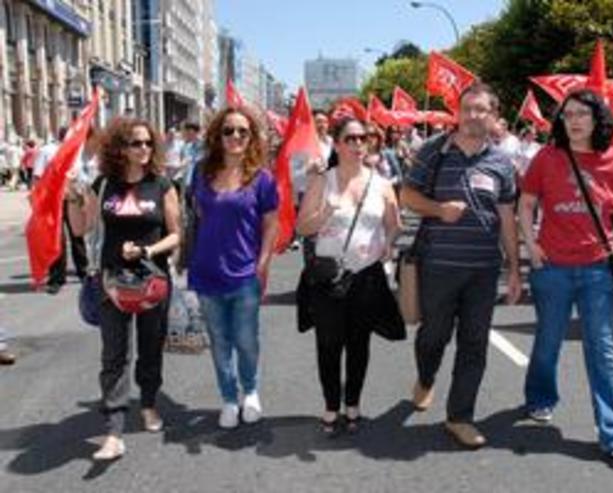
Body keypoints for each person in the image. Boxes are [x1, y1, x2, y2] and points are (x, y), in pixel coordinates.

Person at [518, 89, 613, 459]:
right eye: (567, 114)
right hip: (552, 268)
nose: (573, 120)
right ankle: (540, 396)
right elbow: (526, 203)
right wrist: (531, 245)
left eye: (582, 114)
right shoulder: (547, 157)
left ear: (597, 119)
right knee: (548, 341)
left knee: (602, 350)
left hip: (598, 270)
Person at [400, 83, 522, 449]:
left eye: (481, 109)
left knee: (474, 343)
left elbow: (507, 217)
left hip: (484, 270)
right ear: (458, 112)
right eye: (467, 108)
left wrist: (514, 268)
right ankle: (425, 377)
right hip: (438, 265)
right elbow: (407, 196)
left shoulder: (502, 162)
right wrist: (439, 210)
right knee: (433, 335)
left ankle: (460, 417)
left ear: (494, 116)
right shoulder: (433, 150)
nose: (473, 115)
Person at [70, 117, 180, 460]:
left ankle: (148, 404)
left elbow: (176, 234)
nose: (144, 149)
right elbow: (81, 228)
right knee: (114, 355)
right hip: (111, 283)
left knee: (150, 349)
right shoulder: (104, 184)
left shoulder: (162, 185)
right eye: (136, 143)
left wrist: (147, 251)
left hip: (152, 283)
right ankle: (114, 429)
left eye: (148, 143)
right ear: (121, 148)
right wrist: (73, 200)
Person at [297, 117, 402, 435]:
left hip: (367, 278)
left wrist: (388, 244)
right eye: (351, 139)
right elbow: (302, 228)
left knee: (359, 345)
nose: (358, 144)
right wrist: (324, 214)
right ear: (338, 143)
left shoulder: (381, 183)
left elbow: (394, 223)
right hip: (329, 278)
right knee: (328, 345)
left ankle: (353, 404)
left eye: (363, 138)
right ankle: (331, 407)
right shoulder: (321, 181)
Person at [187, 106, 279, 429]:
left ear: (251, 136)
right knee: (219, 341)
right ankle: (228, 398)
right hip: (206, 270)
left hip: (245, 274)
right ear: (218, 136)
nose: (236, 136)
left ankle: (250, 391)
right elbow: (197, 216)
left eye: (243, 131)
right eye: (229, 131)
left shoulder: (262, 178)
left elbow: (271, 224)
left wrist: (263, 261)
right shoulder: (201, 172)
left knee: (246, 339)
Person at [33, 127, 90, 293]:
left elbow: (80, 175)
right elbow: (37, 176)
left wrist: (83, 194)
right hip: (52, 201)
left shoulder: (76, 151)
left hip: (72, 197)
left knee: (77, 236)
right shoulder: (47, 151)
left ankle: (83, 271)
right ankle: (57, 277)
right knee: (57, 240)